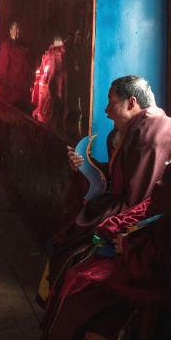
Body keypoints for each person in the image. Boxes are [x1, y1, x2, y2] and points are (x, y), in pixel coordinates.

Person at [37, 75, 171, 312]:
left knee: (70, 249)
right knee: (65, 240)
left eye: (112, 101)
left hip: (141, 221)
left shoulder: (149, 134)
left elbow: (136, 199)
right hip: (122, 207)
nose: (106, 109)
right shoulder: (127, 130)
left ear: (131, 103)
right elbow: (117, 178)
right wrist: (85, 167)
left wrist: (103, 221)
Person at [38, 162, 171, 340]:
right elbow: (153, 205)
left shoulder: (151, 133)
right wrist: (118, 224)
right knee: (75, 265)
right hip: (141, 246)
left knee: (84, 298)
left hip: (157, 276)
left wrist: (131, 246)